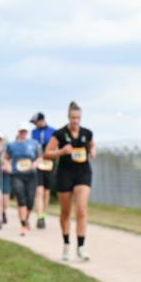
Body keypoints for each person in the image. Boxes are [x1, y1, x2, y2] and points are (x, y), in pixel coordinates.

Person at [44, 101, 95, 261]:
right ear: (68, 117)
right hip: (65, 173)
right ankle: (66, 244)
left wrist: (93, 151)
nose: (75, 121)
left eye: (78, 118)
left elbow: (92, 145)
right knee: (66, 212)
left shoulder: (87, 133)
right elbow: (47, 153)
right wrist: (61, 151)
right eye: (73, 117)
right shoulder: (59, 134)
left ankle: (81, 246)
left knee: (81, 210)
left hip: (83, 172)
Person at [5, 123, 42, 236]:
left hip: (31, 175)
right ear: (18, 132)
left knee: (30, 201)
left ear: (28, 132)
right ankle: (23, 225)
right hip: (17, 175)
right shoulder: (12, 145)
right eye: (21, 131)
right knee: (21, 199)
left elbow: (40, 157)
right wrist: (8, 166)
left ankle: (26, 220)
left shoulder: (34, 144)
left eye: (25, 131)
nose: (23, 133)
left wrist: (35, 163)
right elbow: (6, 158)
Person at [30, 112, 56, 229]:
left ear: (41, 120)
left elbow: (56, 147)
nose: (35, 124)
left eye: (36, 122)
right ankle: (40, 217)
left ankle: (43, 214)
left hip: (49, 163)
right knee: (39, 191)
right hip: (38, 163)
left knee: (46, 192)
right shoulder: (34, 133)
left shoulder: (52, 131)